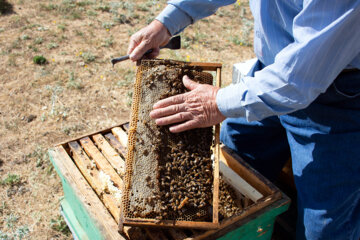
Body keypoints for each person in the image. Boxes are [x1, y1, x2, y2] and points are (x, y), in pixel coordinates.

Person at [126, 1, 360, 239]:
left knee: (323, 229)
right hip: (270, 72)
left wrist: (217, 103)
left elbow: (301, 77)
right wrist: (167, 21)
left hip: (338, 96)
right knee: (232, 162)